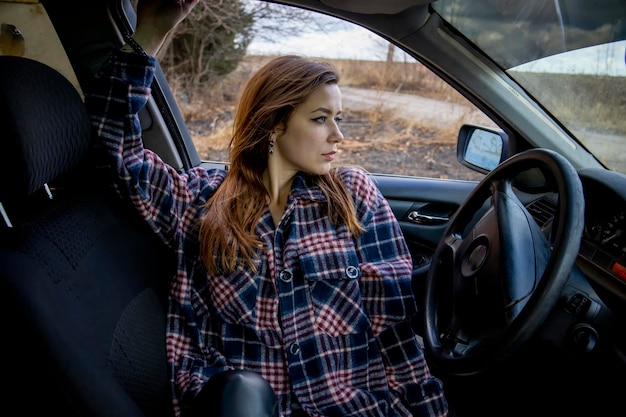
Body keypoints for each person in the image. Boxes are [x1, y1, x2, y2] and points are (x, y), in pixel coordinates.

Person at [85, 0, 449, 416]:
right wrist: (150, 31)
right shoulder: (200, 201)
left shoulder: (354, 195)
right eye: (320, 119)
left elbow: (393, 330)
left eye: (339, 118)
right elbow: (112, 146)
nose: (339, 135)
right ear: (274, 123)